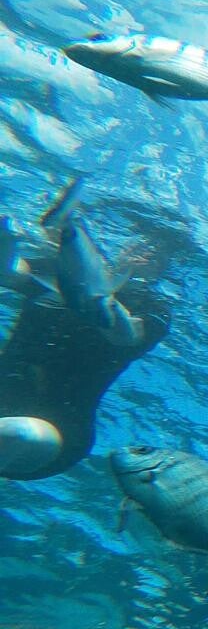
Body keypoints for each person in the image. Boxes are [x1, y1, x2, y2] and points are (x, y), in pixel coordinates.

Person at [0, 201, 170, 480]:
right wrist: (6, 235)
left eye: (159, 252)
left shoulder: (153, 307)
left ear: (163, 269)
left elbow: (127, 334)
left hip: (56, 431)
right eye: (143, 241)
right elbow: (8, 273)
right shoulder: (63, 272)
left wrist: (101, 297)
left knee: (20, 434)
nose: (147, 251)